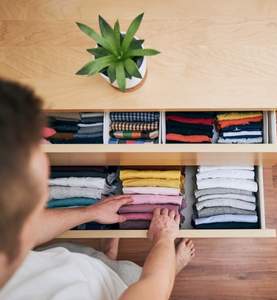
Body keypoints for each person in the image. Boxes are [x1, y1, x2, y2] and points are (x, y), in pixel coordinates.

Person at [0, 79, 195, 300]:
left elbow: (26, 227)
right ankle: (171, 266)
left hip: (71, 264)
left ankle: (106, 257)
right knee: (144, 276)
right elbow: (154, 289)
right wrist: (164, 238)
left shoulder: (9, 237)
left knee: (92, 259)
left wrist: (90, 212)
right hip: (116, 289)